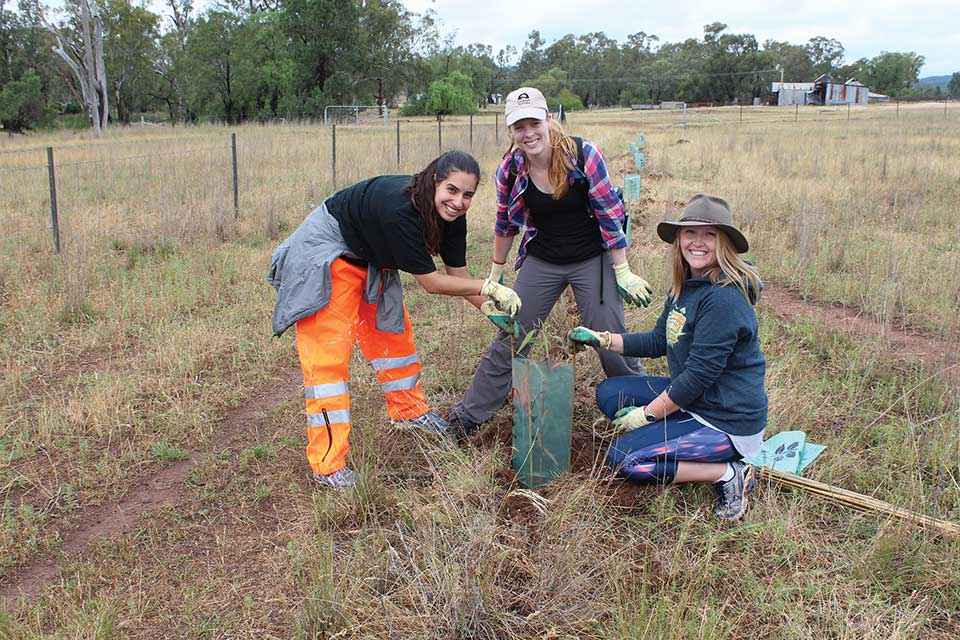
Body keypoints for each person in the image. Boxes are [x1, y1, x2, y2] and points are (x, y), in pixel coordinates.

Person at [268, 151, 521, 489]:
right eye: (451, 190)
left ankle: (409, 412)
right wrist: (490, 287)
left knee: (393, 337)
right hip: (330, 252)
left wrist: (492, 312)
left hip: (372, 255)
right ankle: (328, 466)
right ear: (434, 181)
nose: (458, 201)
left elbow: (456, 275)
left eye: (468, 194)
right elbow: (431, 283)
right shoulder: (401, 210)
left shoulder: (452, 217)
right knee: (327, 361)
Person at [447, 87, 653, 438]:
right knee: (514, 335)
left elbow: (608, 214)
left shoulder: (583, 155)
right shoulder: (511, 168)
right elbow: (504, 222)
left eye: (534, 123)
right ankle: (468, 417)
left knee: (608, 337)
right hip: (543, 257)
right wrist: (495, 275)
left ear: (549, 119)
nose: (528, 133)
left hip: (592, 257)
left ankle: (640, 412)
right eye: (519, 126)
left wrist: (622, 270)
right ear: (511, 131)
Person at [567, 194, 767, 520]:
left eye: (709, 235)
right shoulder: (687, 286)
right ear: (679, 239)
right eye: (690, 233)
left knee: (627, 460)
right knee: (610, 392)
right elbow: (659, 340)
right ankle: (676, 429)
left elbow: (698, 377)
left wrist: (647, 414)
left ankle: (729, 473)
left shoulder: (723, 300)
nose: (697, 243)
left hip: (726, 420)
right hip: (697, 401)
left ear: (724, 243)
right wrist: (601, 339)